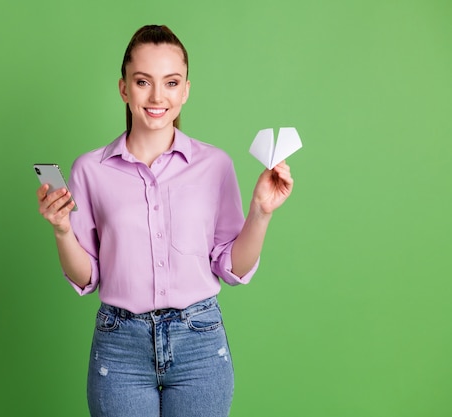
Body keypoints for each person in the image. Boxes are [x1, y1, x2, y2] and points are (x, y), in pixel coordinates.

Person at [37, 24, 294, 417]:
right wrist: (60, 230)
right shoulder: (90, 169)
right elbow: (86, 276)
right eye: (143, 82)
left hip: (200, 342)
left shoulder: (215, 165)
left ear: (186, 90)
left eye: (171, 83)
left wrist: (261, 211)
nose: (158, 96)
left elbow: (231, 268)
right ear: (124, 88)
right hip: (120, 344)